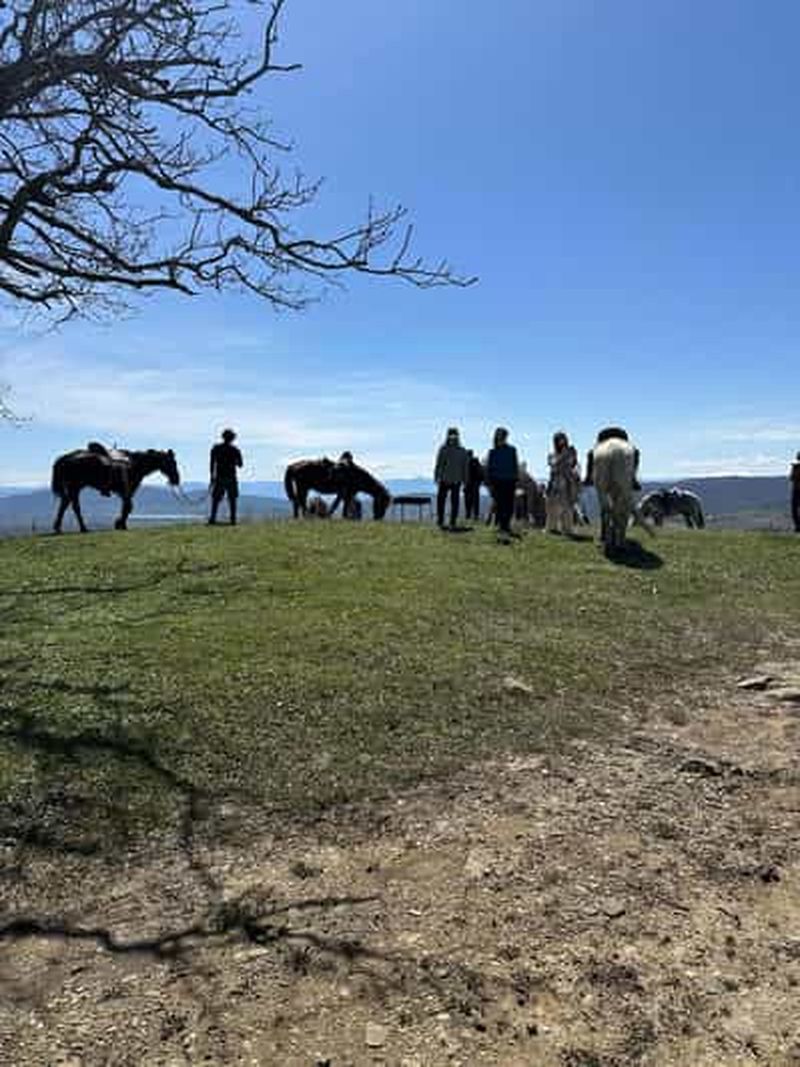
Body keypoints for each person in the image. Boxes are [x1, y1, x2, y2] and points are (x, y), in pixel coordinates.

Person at [486, 426, 519, 538]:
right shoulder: (492, 452)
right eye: (501, 436)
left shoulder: (512, 450)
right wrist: (490, 484)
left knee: (508, 505)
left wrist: (515, 480)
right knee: (500, 505)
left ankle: (505, 526)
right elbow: (489, 469)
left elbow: (515, 466)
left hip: (509, 481)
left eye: (504, 436)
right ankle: (502, 526)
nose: (502, 438)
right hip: (497, 482)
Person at [546, 431, 581, 534]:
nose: (562, 441)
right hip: (555, 481)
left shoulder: (571, 451)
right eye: (560, 439)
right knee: (552, 506)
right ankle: (552, 527)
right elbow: (553, 464)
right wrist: (563, 456)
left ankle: (567, 528)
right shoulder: (552, 454)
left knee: (567, 506)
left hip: (567, 481)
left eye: (564, 439)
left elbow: (573, 463)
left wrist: (570, 455)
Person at [584, 425, 640, 490]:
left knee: (591, 454)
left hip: (616, 438)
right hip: (612, 438)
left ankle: (588, 478)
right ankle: (633, 479)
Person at [434, 427, 469, 529]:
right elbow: (439, 463)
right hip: (446, 479)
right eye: (451, 435)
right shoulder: (444, 449)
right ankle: (441, 520)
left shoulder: (461, 450)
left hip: (454, 479)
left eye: (454, 435)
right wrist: (437, 475)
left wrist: (465, 479)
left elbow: (465, 467)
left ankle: (452, 521)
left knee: (453, 502)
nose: (453, 437)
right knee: (442, 501)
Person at [209, 428, 243, 525]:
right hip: (231, 477)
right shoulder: (235, 450)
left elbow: (212, 464)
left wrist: (212, 476)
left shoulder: (216, 448)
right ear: (232, 439)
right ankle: (233, 520)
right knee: (232, 499)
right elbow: (240, 464)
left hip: (219, 477)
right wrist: (234, 461)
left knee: (216, 499)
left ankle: (213, 518)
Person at [464, 450, 484, 520]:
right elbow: (481, 473)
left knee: (468, 500)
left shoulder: (465, 462)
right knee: (475, 501)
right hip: (475, 484)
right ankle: (475, 515)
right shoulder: (476, 462)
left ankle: (468, 515)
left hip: (468, 484)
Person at [791, 451, 800, 532]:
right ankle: (798, 526)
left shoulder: (795, 467)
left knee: (795, 509)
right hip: (796, 490)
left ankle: (798, 526)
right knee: (794, 509)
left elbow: (792, 478)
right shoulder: (795, 467)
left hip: (796, 490)